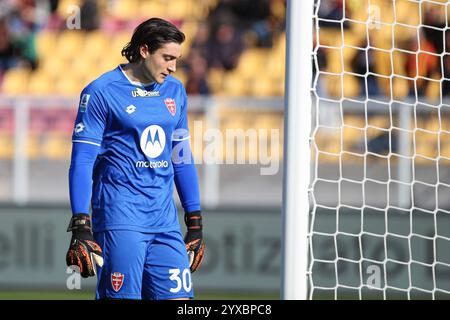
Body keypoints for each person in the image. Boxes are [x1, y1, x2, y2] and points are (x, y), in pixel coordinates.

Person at [66, 17, 205, 300]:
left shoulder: (175, 91)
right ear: (144, 50)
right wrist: (81, 223)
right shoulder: (101, 92)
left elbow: (181, 157)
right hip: (121, 218)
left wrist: (195, 221)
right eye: (167, 58)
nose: (173, 67)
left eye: (176, 59)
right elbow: (82, 160)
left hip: (165, 222)